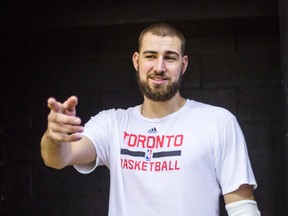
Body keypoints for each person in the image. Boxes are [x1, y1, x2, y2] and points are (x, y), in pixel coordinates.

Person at [41, 23, 261, 216]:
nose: (159, 67)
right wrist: (55, 137)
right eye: (151, 56)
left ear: (183, 64)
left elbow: (242, 207)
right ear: (137, 61)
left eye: (170, 58)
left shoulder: (218, 122)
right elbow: (58, 159)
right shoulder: (111, 124)